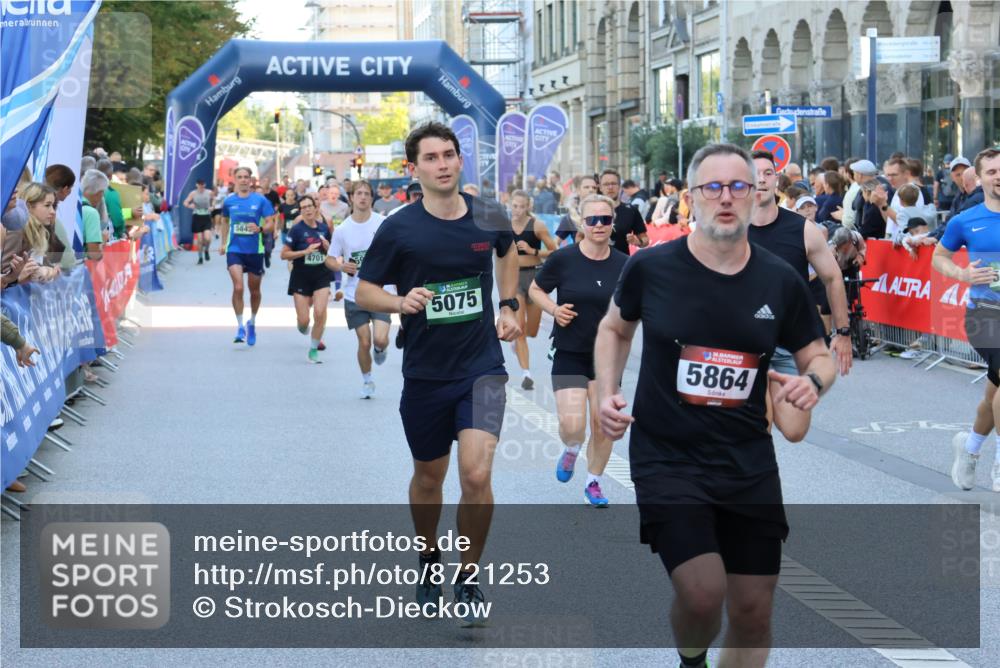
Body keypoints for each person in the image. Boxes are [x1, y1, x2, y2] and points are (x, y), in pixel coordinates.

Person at [595, 143, 834, 668]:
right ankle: (692, 658)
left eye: (738, 187)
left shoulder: (780, 278)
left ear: (755, 195)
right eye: (713, 187)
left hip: (747, 458)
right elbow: (614, 328)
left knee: (753, 610)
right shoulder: (652, 268)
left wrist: (813, 381)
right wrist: (605, 393)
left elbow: (817, 353)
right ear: (692, 198)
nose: (726, 198)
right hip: (668, 456)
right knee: (703, 595)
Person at [355, 122, 521, 626]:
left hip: (484, 367)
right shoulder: (399, 227)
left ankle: (468, 576)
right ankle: (429, 558)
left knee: (476, 473)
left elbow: (508, 250)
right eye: (431, 158)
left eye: (449, 155)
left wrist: (510, 304)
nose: (443, 164)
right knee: (430, 478)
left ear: (459, 160)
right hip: (426, 372)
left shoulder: (488, 212)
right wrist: (399, 301)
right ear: (415, 169)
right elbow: (364, 292)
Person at [529, 193, 629, 506]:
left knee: (603, 424)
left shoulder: (626, 265)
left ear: (613, 224)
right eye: (592, 220)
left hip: (608, 359)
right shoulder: (564, 259)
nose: (599, 225)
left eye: (605, 219)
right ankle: (572, 448)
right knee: (573, 426)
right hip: (570, 351)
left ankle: (594, 482)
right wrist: (554, 310)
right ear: (581, 224)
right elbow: (535, 289)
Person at [748, 149, 851, 443]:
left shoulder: (802, 229)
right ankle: (754, 486)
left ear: (777, 180)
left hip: (788, 345)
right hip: (745, 344)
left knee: (794, 430)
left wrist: (842, 332)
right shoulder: (730, 229)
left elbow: (832, 277)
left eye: (768, 173)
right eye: (754, 174)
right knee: (758, 427)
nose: (762, 180)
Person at [933, 147, 1000, 494]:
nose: (998, 176)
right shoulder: (966, 219)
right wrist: (961, 274)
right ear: (980, 177)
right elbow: (938, 257)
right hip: (985, 314)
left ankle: (970, 448)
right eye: (992, 171)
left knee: (995, 392)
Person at [326, 181, 392, 397]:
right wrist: (340, 265)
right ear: (352, 198)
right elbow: (329, 260)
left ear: (371, 198)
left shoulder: (384, 223)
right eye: (359, 194)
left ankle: (380, 349)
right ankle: (367, 380)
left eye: (367, 194)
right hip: (355, 294)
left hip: (382, 292)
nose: (363, 197)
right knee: (364, 340)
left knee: (380, 339)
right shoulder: (343, 230)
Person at [219, 166, 276, 346]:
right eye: (240, 177)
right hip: (234, 249)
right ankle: (239, 325)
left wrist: (260, 229)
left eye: (246, 177)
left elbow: (270, 224)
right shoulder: (229, 201)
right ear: (235, 179)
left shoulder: (260, 201)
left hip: (255, 251)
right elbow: (225, 221)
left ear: (251, 180)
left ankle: (252, 322)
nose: (243, 180)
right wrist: (223, 242)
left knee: (254, 290)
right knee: (238, 287)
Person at [508, 190, 558, 390]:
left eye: (522, 206)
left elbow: (553, 251)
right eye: (515, 206)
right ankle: (526, 374)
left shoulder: (537, 225)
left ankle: (518, 345)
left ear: (528, 207)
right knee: (519, 327)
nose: (518, 210)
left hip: (535, 277)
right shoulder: (504, 227)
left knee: (533, 330)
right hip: (515, 278)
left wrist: (532, 251)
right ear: (510, 205)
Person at [280, 194, 331, 363]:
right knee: (304, 322)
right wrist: (304, 252)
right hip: (301, 276)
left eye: (310, 206)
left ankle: (313, 349)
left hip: (321, 275)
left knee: (320, 311)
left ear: (315, 207)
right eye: (304, 207)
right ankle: (303, 326)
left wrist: (328, 248)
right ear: (300, 211)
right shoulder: (296, 229)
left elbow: (333, 253)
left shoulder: (324, 228)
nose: (308, 209)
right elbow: (284, 254)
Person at [598, 169, 649, 253]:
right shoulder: (591, 210)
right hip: (595, 262)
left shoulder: (631, 210)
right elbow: (580, 238)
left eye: (614, 183)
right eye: (606, 184)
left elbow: (645, 240)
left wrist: (637, 241)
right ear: (600, 187)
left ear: (619, 186)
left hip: (622, 262)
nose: (610, 187)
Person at [555, 174, 598, 243]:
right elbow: (555, 243)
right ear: (578, 190)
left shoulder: (607, 213)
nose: (591, 190)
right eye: (586, 187)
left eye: (594, 188)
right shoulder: (570, 217)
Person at [184, 179, 215, 264]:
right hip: (197, 217)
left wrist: (212, 207)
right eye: (199, 185)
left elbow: (214, 200)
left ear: (204, 185)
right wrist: (190, 205)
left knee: (207, 238)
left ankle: (207, 250)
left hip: (206, 217)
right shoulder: (193, 193)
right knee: (200, 240)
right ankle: (200, 257)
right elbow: (185, 202)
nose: (201, 187)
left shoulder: (209, 192)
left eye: (202, 185)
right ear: (196, 185)